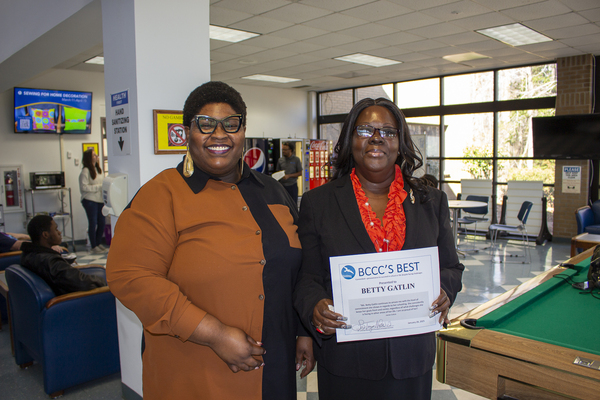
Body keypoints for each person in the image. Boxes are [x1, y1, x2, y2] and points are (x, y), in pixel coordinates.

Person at [106, 81, 314, 400]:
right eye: (205, 124)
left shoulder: (272, 191)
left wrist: (303, 330)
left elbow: (296, 266)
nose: (219, 135)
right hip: (194, 374)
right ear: (188, 132)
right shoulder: (161, 195)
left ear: (243, 131)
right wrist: (214, 334)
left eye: (231, 124)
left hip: (274, 370)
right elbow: (130, 276)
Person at [293, 98, 464, 400]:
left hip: (411, 359)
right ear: (350, 139)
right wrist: (316, 307)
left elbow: (451, 267)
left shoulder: (431, 202)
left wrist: (445, 292)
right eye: (365, 130)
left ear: (400, 142)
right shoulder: (318, 203)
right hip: (347, 360)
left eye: (388, 131)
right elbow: (307, 277)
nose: (376, 138)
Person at [20, 215, 106, 295]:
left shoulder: (28, 254)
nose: (59, 232)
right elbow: (82, 282)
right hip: (70, 302)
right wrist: (103, 283)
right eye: (56, 229)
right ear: (45, 234)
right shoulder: (52, 262)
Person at [79, 148, 106, 254]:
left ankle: (99, 243)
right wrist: (99, 187)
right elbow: (84, 187)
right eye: (94, 155)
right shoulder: (85, 171)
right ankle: (93, 245)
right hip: (89, 200)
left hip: (99, 199)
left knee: (102, 222)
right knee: (93, 222)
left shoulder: (99, 170)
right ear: (89, 158)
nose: (96, 156)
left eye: (96, 155)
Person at [0, 231, 66, 254]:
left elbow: (16, 236)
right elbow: (19, 245)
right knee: (62, 251)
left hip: (26, 246)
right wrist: (48, 246)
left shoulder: (2, 235)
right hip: (17, 254)